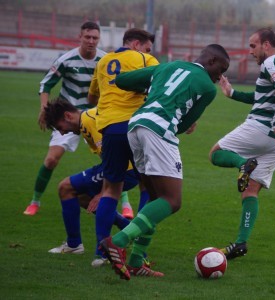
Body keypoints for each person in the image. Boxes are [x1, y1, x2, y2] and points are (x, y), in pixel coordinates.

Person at [99, 44, 230, 280]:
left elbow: (122, 81)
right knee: (172, 200)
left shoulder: (167, 66)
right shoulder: (208, 89)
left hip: (136, 124)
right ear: (210, 60)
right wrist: (185, 122)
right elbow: (182, 125)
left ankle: (137, 261)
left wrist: (153, 87)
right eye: (222, 68)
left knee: (155, 197)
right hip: (159, 129)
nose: (221, 76)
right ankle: (117, 242)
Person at [209, 27, 275, 260]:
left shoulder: (271, 63)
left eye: (253, 46)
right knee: (251, 190)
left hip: (262, 129)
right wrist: (232, 93)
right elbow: (262, 99)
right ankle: (240, 244)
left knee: (216, 154)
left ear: (266, 45)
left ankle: (243, 163)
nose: (250, 51)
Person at [42, 98, 146, 267]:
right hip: (124, 167)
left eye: (60, 128)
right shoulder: (86, 123)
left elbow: (115, 159)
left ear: (68, 116)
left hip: (125, 169)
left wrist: (103, 192)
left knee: (65, 187)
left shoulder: (90, 122)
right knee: (81, 196)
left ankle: (87, 248)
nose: (61, 133)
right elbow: (107, 157)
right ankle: (127, 230)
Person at [88, 28, 159, 268]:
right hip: (137, 128)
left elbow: (92, 97)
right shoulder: (144, 59)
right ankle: (139, 248)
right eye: (148, 47)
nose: (150, 52)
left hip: (110, 129)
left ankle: (101, 253)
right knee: (149, 186)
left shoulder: (103, 61)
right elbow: (160, 87)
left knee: (110, 190)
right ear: (137, 44)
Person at [23, 21, 107, 216]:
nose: (91, 41)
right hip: (67, 119)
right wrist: (44, 109)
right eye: (87, 37)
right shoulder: (66, 59)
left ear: (99, 39)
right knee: (51, 160)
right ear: (80, 37)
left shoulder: (105, 60)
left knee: (112, 157)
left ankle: (125, 204)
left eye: (95, 38)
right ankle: (35, 201)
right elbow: (45, 85)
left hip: (96, 119)